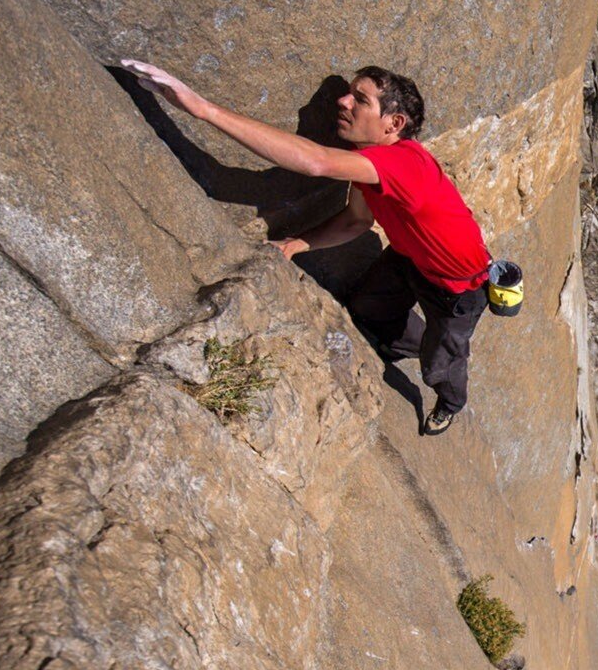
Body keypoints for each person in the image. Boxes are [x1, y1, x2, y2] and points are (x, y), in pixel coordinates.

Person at [122, 59, 490, 436]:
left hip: (456, 285)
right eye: (348, 92)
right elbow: (356, 221)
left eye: (359, 100)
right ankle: (421, 343)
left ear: (393, 124)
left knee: (439, 366)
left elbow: (315, 162)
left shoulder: (403, 162)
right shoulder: (369, 163)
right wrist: (298, 243)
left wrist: (202, 109)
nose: (343, 101)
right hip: (408, 256)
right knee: (367, 308)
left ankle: (450, 399)